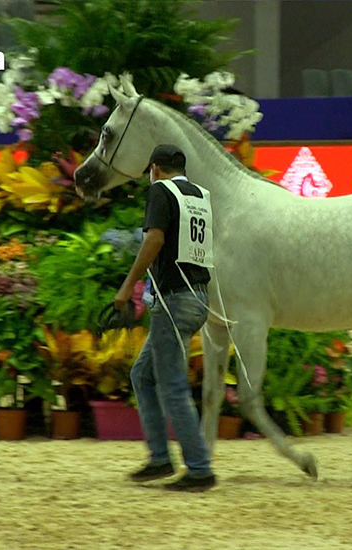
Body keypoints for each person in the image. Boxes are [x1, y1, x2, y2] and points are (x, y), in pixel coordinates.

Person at [114, 144, 215, 492]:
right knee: (143, 374)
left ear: (155, 168)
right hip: (199, 297)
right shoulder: (200, 195)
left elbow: (154, 239)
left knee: (171, 385)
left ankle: (199, 467)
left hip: (174, 300)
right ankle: (159, 458)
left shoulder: (160, 190)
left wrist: (128, 286)